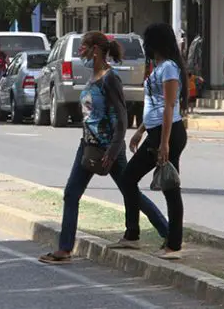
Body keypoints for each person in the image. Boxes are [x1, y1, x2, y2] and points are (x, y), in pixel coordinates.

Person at [38, 32, 168, 264]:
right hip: (87, 146)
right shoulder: (92, 77)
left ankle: (168, 234)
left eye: (83, 48)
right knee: (71, 194)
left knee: (131, 193)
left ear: (96, 50)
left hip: (109, 150)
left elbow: (122, 118)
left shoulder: (110, 79)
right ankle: (65, 249)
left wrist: (113, 151)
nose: (81, 53)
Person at [114, 23, 188, 260]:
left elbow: (168, 106)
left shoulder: (168, 68)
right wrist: (140, 131)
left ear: (156, 43)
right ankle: (138, 235)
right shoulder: (158, 68)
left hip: (168, 133)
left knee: (161, 186)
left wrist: (163, 143)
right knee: (161, 186)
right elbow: (155, 107)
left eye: (147, 42)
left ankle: (170, 243)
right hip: (157, 131)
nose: (144, 46)